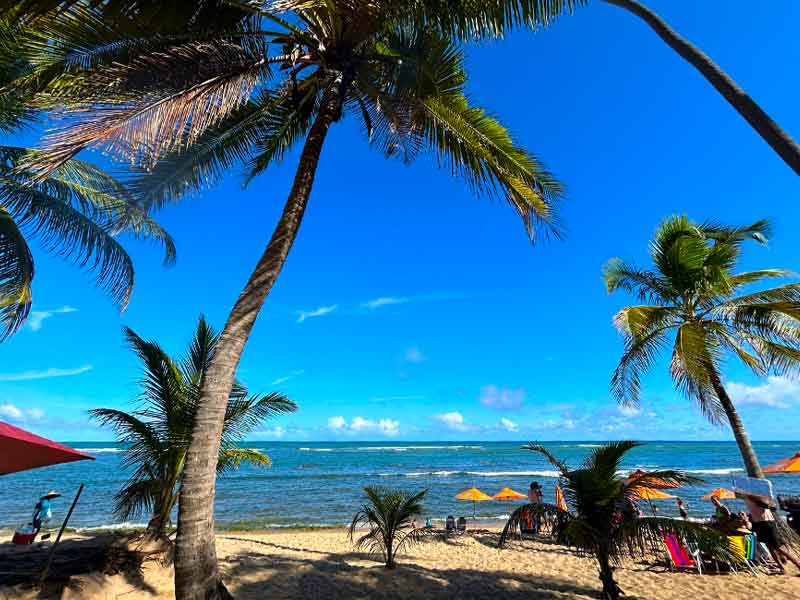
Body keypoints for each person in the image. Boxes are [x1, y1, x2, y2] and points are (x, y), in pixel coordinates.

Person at [744, 495, 800, 574]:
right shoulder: (746, 496)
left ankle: (798, 566)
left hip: (767, 522)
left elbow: (771, 506)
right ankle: (781, 568)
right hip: (758, 523)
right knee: (770, 547)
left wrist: (754, 498)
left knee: (779, 548)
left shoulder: (759, 496)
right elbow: (755, 509)